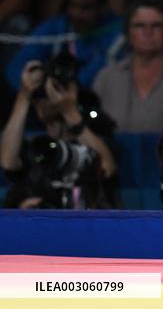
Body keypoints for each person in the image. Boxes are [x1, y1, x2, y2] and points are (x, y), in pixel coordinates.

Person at [1, 56, 118, 209]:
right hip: (43, 219)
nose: (51, 96)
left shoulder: (97, 136)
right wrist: (24, 96)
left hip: (87, 218)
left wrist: (69, 111)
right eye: (43, 94)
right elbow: (8, 161)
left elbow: (107, 167)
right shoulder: (36, 147)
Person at [92, 0, 163, 133]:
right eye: (139, 26)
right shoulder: (106, 78)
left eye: (157, 25)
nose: (148, 32)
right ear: (128, 32)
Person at [5, 0, 121, 91]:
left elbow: (93, 77)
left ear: (103, 7)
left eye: (85, 8)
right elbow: (18, 65)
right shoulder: (56, 27)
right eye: (73, 5)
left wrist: (59, 90)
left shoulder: (116, 33)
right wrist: (36, 88)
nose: (77, 14)